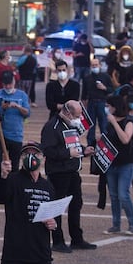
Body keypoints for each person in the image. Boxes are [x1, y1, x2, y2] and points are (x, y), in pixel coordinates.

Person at [40, 100, 97, 253]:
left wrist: (84, 150)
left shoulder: (70, 126)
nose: (78, 119)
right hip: (58, 173)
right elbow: (47, 150)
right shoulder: (52, 127)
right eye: (76, 115)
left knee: (76, 204)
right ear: (67, 112)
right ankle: (58, 241)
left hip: (72, 171)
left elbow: (73, 145)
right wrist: (67, 154)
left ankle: (76, 239)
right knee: (57, 207)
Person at [102, 94, 133, 235]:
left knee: (123, 194)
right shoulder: (109, 121)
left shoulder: (128, 122)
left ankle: (132, 224)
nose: (107, 108)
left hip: (126, 163)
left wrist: (115, 123)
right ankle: (116, 224)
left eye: (109, 106)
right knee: (114, 195)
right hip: (111, 163)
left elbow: (125, 139)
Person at [0, 72, 30, 194]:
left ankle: (13, 191)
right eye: (5, 84)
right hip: (0, 135)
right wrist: (3, 107)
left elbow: (27, 113)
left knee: (14, 166)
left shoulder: (22, 95)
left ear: (14, 82)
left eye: (9, 84)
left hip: (16, 135)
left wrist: (17, 107)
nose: (7, 87)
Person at [81, 57, 112, 147]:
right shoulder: (87, 78)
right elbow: (84, 93)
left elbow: (112, 90)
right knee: (91, 125)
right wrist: (83, 105)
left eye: (96, 65)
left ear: (100, 65)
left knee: (104, 124)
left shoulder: (105, 76)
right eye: (93, 65)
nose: (94, 67)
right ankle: (91, 144)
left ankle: (106, 144)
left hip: (102, 103)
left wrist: (104, 88)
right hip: (91, 103)